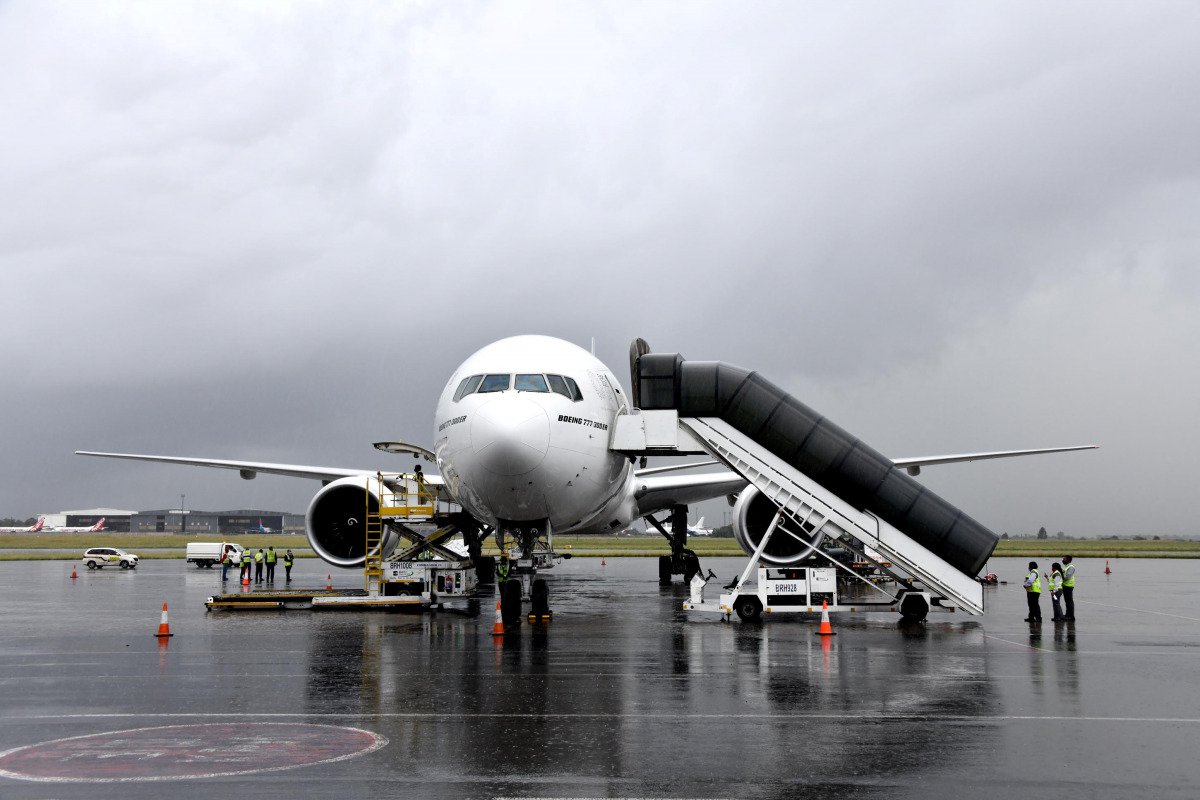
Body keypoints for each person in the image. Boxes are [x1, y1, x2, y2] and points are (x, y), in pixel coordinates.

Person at [1062, 555, 1076, 621]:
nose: (1063, 560)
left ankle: (1071, 616)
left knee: (1069, 601)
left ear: (1068, 560)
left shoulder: (1071, 567)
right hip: (1065, 585)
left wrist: (1061, 578)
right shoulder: (1066, 567)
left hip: (1069, 586)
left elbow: (1067, 577)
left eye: (1064, 559)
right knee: (1067, 601)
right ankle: (1067, 614)